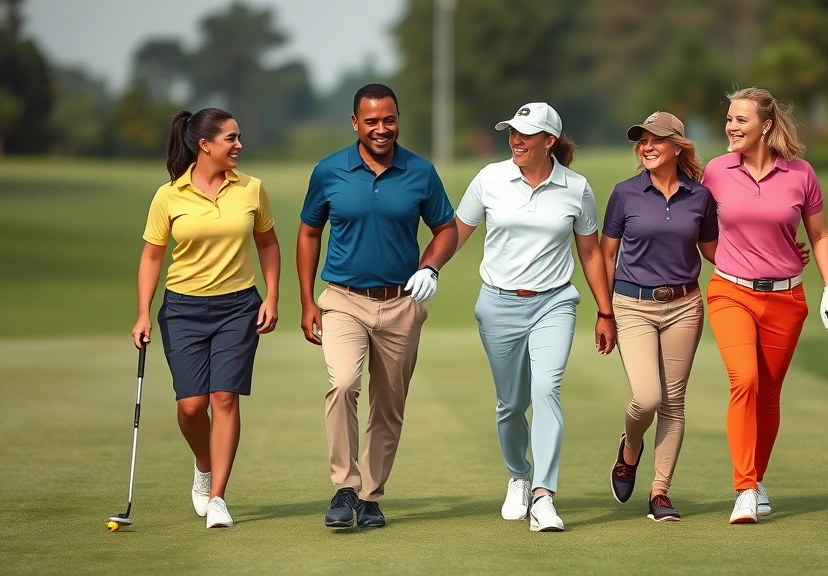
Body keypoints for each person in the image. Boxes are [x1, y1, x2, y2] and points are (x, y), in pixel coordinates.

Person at [296, 83, 458, 530]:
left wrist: (431, 267)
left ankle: (370, 497)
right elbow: (309, 233)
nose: (381, 129)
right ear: (355, 123)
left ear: (398, 119)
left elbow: (446, 229)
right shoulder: (329, 171)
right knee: (343, 383)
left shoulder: (420, 172)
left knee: (388, 404)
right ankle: (345, 487)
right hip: (343, 300)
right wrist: (307, 300)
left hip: (401, 303)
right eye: (371, 121)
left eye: (389, 120)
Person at [454, 102, 616, 533]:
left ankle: (544, 495)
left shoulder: (576, 188)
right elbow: (456, 232)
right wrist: (425, 269)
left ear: (549, 141)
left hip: (554, 303)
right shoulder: (490, 178)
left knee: (546, 389)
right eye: (512, 133)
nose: (515, 140)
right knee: (511, 404)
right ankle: (518, 476)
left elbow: (590, 253)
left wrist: (605, 311)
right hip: (498, 303)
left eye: (525, 134)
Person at [701, 87, 828, 524]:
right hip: (731, 292)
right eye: (729, 118)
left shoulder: (800, 173)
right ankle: (745, 489)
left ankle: (758, 478)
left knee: (768, 395)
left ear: (765, 125)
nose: (731, 126)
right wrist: (733, 257)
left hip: (787, 298)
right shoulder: (716, 171)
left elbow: (819, 234)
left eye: (740, 120)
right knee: (744, 380)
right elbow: (701, 231)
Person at [131, 108, 281, 529]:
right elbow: (152, 256)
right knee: (192, 407)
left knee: (225, 399)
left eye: (238, 137)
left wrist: (271, 296)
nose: (239, 145)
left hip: (238, 308)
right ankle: (204, 463)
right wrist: (143, 312)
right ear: (204, 144)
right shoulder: (169, 195)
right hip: (183, 310)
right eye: (231, 138)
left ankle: (218, 497)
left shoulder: (251, 188)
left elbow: (268, 244)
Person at [599, 112, 718, 522]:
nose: (647, 147)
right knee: (647, 398)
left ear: (677, 147)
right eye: (643, 141)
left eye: (657, 140)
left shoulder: (700, 196)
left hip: (684, 306)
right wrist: (604, 312)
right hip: (632, 305)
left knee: (674, 402)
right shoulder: (625, 193)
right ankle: (630, 448)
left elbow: (714, 251)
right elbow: (607, 255)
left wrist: (774, 258)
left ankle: (660, 492)